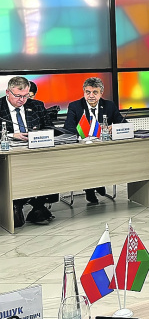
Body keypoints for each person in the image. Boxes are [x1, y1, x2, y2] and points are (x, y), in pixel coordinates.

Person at [1, 76, 56, 227]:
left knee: (51, 166)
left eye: (25, 96)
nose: (22, 100)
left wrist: (37, 135)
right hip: (8, 156)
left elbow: (49, 128)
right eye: (18, 96)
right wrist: (11, 135)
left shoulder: (37, 105)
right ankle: (17, 203)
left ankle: (37, 205)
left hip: (35, 152)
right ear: (8, 92)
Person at [64, 77, 125, 205]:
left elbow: (123, 123)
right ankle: (90, 188)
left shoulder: (109, 105)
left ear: (101, 93)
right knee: (88, 158)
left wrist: (113, 127)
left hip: (104, 148)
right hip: (83, 148)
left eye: (95, 92)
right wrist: (81, 134)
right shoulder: (75, 106)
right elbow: (68, 128)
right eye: (88, 92)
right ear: (84, 92)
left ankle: (98, 183)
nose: (91, 96)